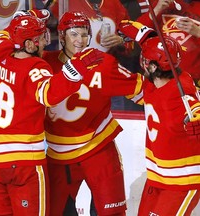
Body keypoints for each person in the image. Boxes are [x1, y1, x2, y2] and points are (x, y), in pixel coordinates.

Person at [0, 14, 103, 215]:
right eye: (41, 38)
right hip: (22, 163)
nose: (46, 41)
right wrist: (76, 69)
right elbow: (49, 95)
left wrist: (27, 19)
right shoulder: (36, 67)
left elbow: (3, 34)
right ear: (29, 44)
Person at [42, 11, 144, 216]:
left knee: (109, 213)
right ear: (61, 37)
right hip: (58, 153)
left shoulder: (103, 62)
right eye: (74, 35)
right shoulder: (45, 63)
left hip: (98, 147)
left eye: (84, 34)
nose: (80, 40)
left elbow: (143, 92)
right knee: (55, 212)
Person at [120, 28, 200, 214]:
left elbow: (198, 111)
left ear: (154, 67)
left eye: (146, 61)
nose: (143, 64)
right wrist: (144, 36)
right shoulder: (155, 83)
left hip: (183, 178)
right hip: (159, 175)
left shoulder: (179, 91)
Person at [136, 0, 200, 109]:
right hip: (155, 78)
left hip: (189, 84)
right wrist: (156, 10)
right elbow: (135, 34)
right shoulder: (162, 2)